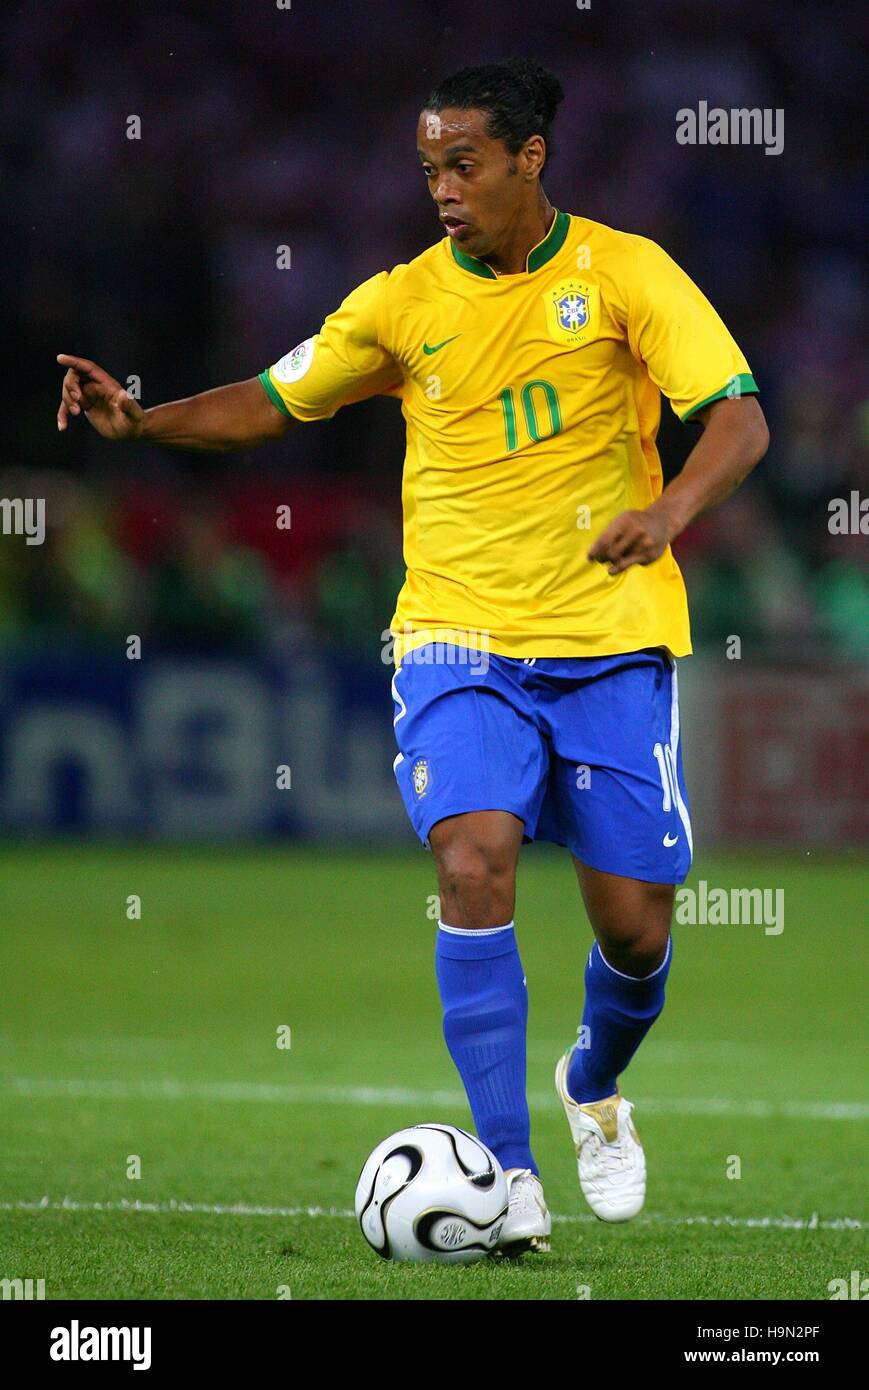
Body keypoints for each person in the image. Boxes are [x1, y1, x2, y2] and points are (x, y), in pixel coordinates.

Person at [57, 56, 769, 1257]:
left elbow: (737, 418)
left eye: (463, 165)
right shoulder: (399, 303)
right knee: (474, 858)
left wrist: (666, 513)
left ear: (527, 159)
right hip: (455, 637)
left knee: (637, 926)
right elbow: (276, 400)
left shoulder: (627, 272)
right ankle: (512, 1175)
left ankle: (591, 1084)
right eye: (428, 167)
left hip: (607, 639)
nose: (440, 189)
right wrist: (148, 417)